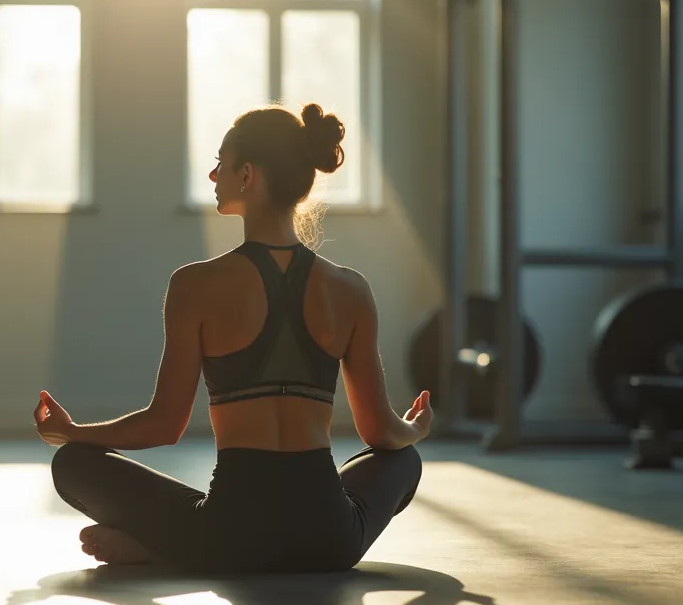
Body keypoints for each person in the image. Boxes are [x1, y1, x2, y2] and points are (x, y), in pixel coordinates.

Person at [33, 103, 432, 574]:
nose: (212, 173)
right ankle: (179, 545)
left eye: (221, 162)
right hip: (329, 540)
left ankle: (167, 546)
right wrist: (417, 428)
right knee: (403, 460)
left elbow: (164, 426)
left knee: (73, 464)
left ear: (247, 175)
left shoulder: (194, 284)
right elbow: (380, 434)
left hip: (227, 537)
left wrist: (74, 434)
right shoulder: (350, 289)